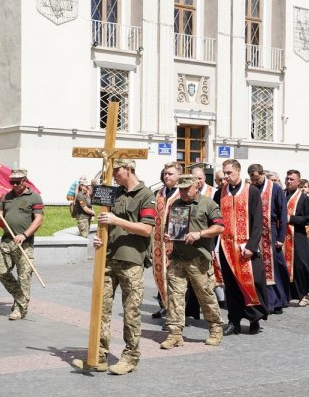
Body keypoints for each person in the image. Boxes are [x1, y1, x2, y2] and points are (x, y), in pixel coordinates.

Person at [73, 159, 156, 374]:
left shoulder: (146, 195)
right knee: (101, 309)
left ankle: (130, 358)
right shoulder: (114, 192)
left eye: (116, 172)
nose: (112, 176)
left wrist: (116, 220)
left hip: (132, 260)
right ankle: (98, 355)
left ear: (128, 169)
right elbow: (103, 221)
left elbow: (146, 229)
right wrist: (101, 238)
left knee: (131, 311)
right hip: (108, 258)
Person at [160, 174, 225, 350]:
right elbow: (169, 227)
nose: (183, 192)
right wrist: (169, 235)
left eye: (186, 189)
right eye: (180, 189)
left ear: (197, 186)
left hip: (199, 258)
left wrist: (200, 234)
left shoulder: (208, 204)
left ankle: (215, 329)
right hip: (178, 257)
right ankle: (174, 334)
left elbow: (219, 227)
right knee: (175, 296)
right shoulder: (176, 204)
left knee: (205, 295)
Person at [214, 159, 268, 335]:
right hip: (226, 248)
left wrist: (252, 246)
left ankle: (255, 320)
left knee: (252, 282)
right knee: (231, 285)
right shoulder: (220, 193)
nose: (226, 176)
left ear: (238, 171)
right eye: (224, 173)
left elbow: (258, 221)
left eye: (229, 172)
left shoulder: (251, 191)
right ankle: (233, 321)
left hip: (246, 248)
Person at [0, 169, 44, 321]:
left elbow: (38, 219)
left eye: (17, 182)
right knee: (1, 271)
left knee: (24, 276)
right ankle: (20, 296)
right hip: (7, 240)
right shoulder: (6, 196)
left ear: (25, 181)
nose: (14, 185)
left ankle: (20, 309)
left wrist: (25, 234)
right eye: (12, 182)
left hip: (24, 243)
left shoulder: (34, 197)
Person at [248, 163, 290, 315]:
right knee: (260, 268)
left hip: (271, 231)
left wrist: (281, 237)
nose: (254, 182)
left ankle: (277, 301)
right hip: (255, 232)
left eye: (257, 178)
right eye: (252, 179)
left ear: (262, 174)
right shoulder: (251, 188)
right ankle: (265, 300)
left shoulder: (275, 189)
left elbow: (282, 214)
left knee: (274, 268)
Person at [151, 162, 183, 320]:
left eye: (170, 174)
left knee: (174, 280)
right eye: (165, 173)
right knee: (160, 276)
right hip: (158, 245)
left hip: (176, 247)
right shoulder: (158, 193)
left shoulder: (181, 194)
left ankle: (174, 315)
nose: (166, 176)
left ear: (179, 176)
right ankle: (164, 306)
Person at [283, 170, 309, 306]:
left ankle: (302, 294)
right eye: (287, 179)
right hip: (283, 237)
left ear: (299, 181)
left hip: (298, 235)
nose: (288, 181)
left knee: (300, 266)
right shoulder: (282, 195)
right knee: (284, 266)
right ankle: (287, 294)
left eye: (292, 179)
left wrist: (290, 218)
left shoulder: (304, 198)